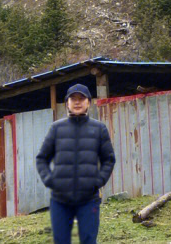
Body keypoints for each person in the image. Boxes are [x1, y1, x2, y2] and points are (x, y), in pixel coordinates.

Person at [35, 84, 116, 244]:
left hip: (89, 199)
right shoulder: (56, 128)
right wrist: (49, 180)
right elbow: (42, 158)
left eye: (81, 98)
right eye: (73, 99)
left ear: (89, 102)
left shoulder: (99, 129)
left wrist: (98, 181)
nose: (77, 102)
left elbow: (109, 159)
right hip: (60, 200)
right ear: (67, 103)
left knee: (88, 240)